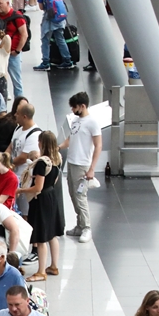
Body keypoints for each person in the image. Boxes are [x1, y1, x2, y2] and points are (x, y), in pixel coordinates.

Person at [18, 131, 64, 281]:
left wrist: (22, 190)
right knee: (52, 235)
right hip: (52, 197)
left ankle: (41, 271)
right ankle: (54, 266)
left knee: (42, 236)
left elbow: (38, 187)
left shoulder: (42, 163)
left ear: (41, 143)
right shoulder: (57, 159)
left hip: (41, 199)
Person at [59, 91, 102, 244]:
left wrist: (92, 168)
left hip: (82, 164)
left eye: (74, 107)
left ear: (82, 106)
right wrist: (58, 147)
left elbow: (98, 146)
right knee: (73, 194)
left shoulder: (92, 123)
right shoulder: (76, 121)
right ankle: (79, 224)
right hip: (72, 162)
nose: (72, 110)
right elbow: (71, 139)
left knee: (80, 196)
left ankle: (87, 227)